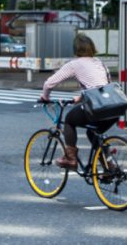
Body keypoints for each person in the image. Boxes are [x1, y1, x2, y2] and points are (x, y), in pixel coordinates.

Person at [39, 34, 114, 169]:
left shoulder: (75, 64)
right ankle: (109, 167)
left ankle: (70, 159)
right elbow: (102, 88)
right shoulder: (100, 63)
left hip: (96, 108)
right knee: (93, 132)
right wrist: (79, 99)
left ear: (76, 49)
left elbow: (49, 84)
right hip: (113, 108)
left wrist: (45, 97)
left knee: (69, 120)